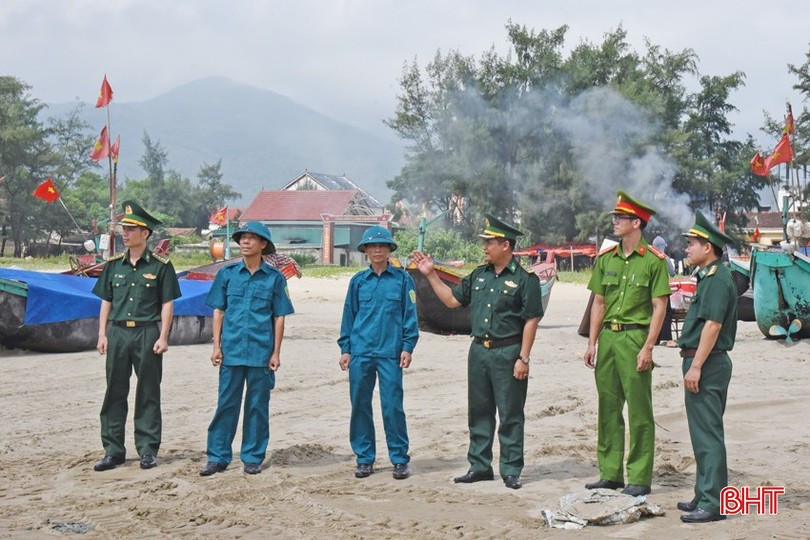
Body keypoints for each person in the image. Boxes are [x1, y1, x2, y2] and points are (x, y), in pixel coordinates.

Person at [412, 214, 542, 490]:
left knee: (510, 413)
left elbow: (531, 319)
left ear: (505, 245)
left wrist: (524, 357)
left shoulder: (524, 279)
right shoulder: (478, 276)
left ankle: (510, 469)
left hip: (508, 352)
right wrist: (431, 274)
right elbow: (450, 301)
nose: (484, 247)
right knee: (479, 411)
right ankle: (480, 466)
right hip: (479, 352)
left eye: (489, 243)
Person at [583, 191, 671, 496]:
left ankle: (638, 478)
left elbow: (659, 306)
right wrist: (592, 342)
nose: (615, 222)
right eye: (614, 217)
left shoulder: (653, 261)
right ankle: (610, 473)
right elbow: (599, 302)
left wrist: (648, 347)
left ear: (637, 222)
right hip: (608, 338)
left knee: (639, 411)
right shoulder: (607, 258)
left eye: (620, 218)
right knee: (607, 407)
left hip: (635, 337)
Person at [92, 201, 181, 471]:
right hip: (118, 333)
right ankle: (113, 450)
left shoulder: (161, 266)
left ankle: (147, 450)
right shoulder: (113, 266)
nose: (125, 233)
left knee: (148, 393)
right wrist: (102, 334)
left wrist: (163, 337)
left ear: (145, 234)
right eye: (124, 228)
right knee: (114, 392)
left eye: (131, 229)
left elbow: (167, 304)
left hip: (147, 333)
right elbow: (106, 300)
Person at [200, 222, 294, 476]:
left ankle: (252, 456)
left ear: (263, 244)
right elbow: (219, 310)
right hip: (230, 351)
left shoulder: (274, 278)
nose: (245, 242)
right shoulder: (227, 274)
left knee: (256, 406)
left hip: (261, 353)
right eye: (242, 238)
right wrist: (216, 346)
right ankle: (217, 457)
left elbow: (279, 316)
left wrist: (276, 352)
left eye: (252, 238)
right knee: (226, 404)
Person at [338, 226, 419, 480]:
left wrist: (408, 347)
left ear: (389, 250)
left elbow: (410, 316)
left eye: (382, 246)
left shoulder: (403, 280)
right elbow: (348, 316)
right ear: (365, 251)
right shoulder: (358, 282)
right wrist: (345, 349)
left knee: (392, 407)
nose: (377, 250)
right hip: (360, 353)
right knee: (360, 406)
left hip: (390, 353)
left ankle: (399, 459)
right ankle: (364, 459)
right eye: (372, 246)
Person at [677, 212, 737, 523]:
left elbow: (712, 325)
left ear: (708, 247)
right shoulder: (709, 276)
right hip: (703, 359)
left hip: (708, 362)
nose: (687, 249)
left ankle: (713, 503)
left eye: (692, 244)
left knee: (708, 434)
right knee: (702, 433)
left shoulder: (717, 278)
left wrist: (696, 366)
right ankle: (704, 493)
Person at [652, 235, 677, 346]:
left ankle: (655, 339)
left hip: (649, 290)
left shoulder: (648, 257)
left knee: (652, 313)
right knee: (666, 313)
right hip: (662, 289)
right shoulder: (664, 257)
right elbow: (672, 273)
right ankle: (666, 338)